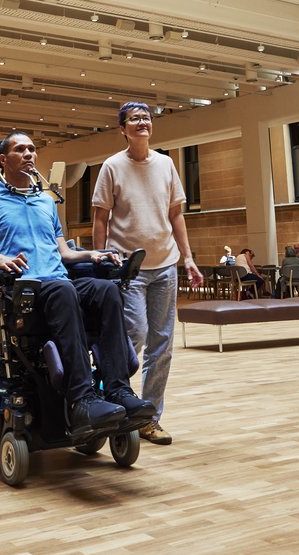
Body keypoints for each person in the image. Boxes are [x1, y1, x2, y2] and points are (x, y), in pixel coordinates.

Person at [0, 130, 153, 437]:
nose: (29, 154)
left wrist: (92, 254)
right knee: (64, 289)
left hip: (58, 281)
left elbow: (64, 252)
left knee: (106, 290)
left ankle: (119, 391)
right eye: (20, 149)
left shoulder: (45, 201)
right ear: (3, 159)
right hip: (23, 287)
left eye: (32, 149)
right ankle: (82, 399)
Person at [92, 101, 203, 446]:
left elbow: (176, 215)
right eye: (135, 119)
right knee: (135, 335)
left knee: (162, 345)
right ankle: (113, 399)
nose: (143, 122)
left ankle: (149, 418)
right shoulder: (112, 166)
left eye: (147, 118)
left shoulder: (166, 164)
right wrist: (100, 258)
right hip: (129, 268)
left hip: (165, 265)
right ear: (123, 129)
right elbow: (100, 217)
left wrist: (188, 258)